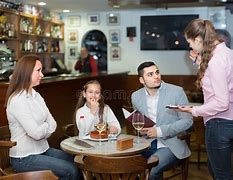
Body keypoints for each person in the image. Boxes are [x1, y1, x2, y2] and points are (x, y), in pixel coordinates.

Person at [5, 55, 83, 180]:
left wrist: (43, 129)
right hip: (24, 158)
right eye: (38, 71)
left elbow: (53, 123)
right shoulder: (17, 100)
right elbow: (36, 133)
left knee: (77, 162)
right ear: (26, 72)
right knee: (71, 171)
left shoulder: (36, 95)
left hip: (42, 149)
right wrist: (46, 127)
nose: (42, 75)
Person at [177, 18, 233, 180]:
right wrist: (199, 62)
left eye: (190, 42)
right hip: (230, 120)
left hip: (219, 123)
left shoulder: (216, 60)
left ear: (198, 39)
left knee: (221, 174)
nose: (190, 47)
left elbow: (221, 102)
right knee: (217, 168)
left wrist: (195, 110)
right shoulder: (228, 53)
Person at [131, 61, 193, 179]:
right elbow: (139, 120)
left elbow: (187, 121)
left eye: (157, 72)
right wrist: (142, 129)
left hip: (171, 144)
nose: (156, 76)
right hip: (146, 143)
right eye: (150, 74)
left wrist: (159, 131)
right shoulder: (135, 96)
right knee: (127, 166)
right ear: (141, 80)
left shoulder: (176, 92)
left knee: (153, 170)